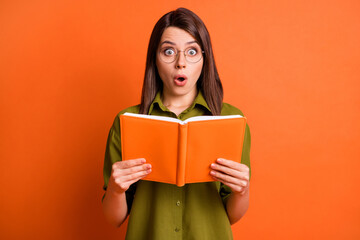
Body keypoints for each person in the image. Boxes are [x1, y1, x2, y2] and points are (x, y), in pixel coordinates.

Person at [102, 7, 251, 240]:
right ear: (155, 58)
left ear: (205, 58)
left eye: (192, 51)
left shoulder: (231, 120)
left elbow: (231, 215)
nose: (181, 63)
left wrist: (242, 191)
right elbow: (115, 218)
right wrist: (115, 188)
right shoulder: (126, 122)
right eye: (169, 51)